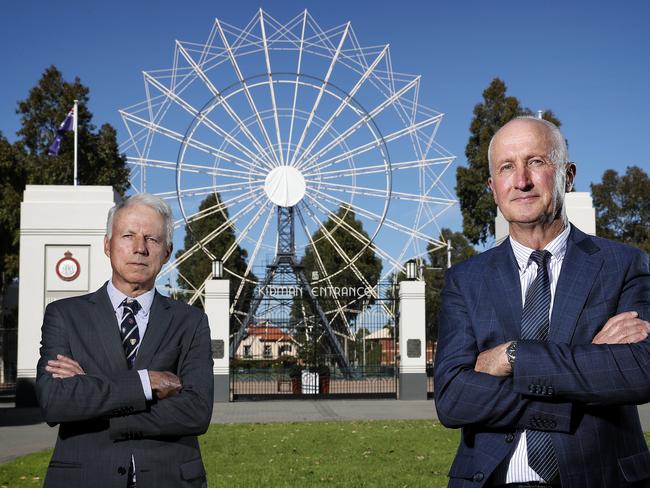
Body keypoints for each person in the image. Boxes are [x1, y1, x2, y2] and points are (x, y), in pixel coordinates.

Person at [434, 117, 650, 487]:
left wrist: (513, 356)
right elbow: (454, 399)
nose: (521, 181)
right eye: (506, 167)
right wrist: (586, 364)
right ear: (492, 188)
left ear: (567, 175)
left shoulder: (623, 264)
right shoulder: (465, 281)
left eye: (536, 162)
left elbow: (638, 372)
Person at [36, 193, 214, 487]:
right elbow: (55, 402)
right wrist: (146, 384)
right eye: (128, 235)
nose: (140, 248)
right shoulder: (65, 315)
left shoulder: (191, 321)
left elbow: (195, 412)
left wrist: (94, 398)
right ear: (108, 245)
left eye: (152, 239)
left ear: (167, 251)